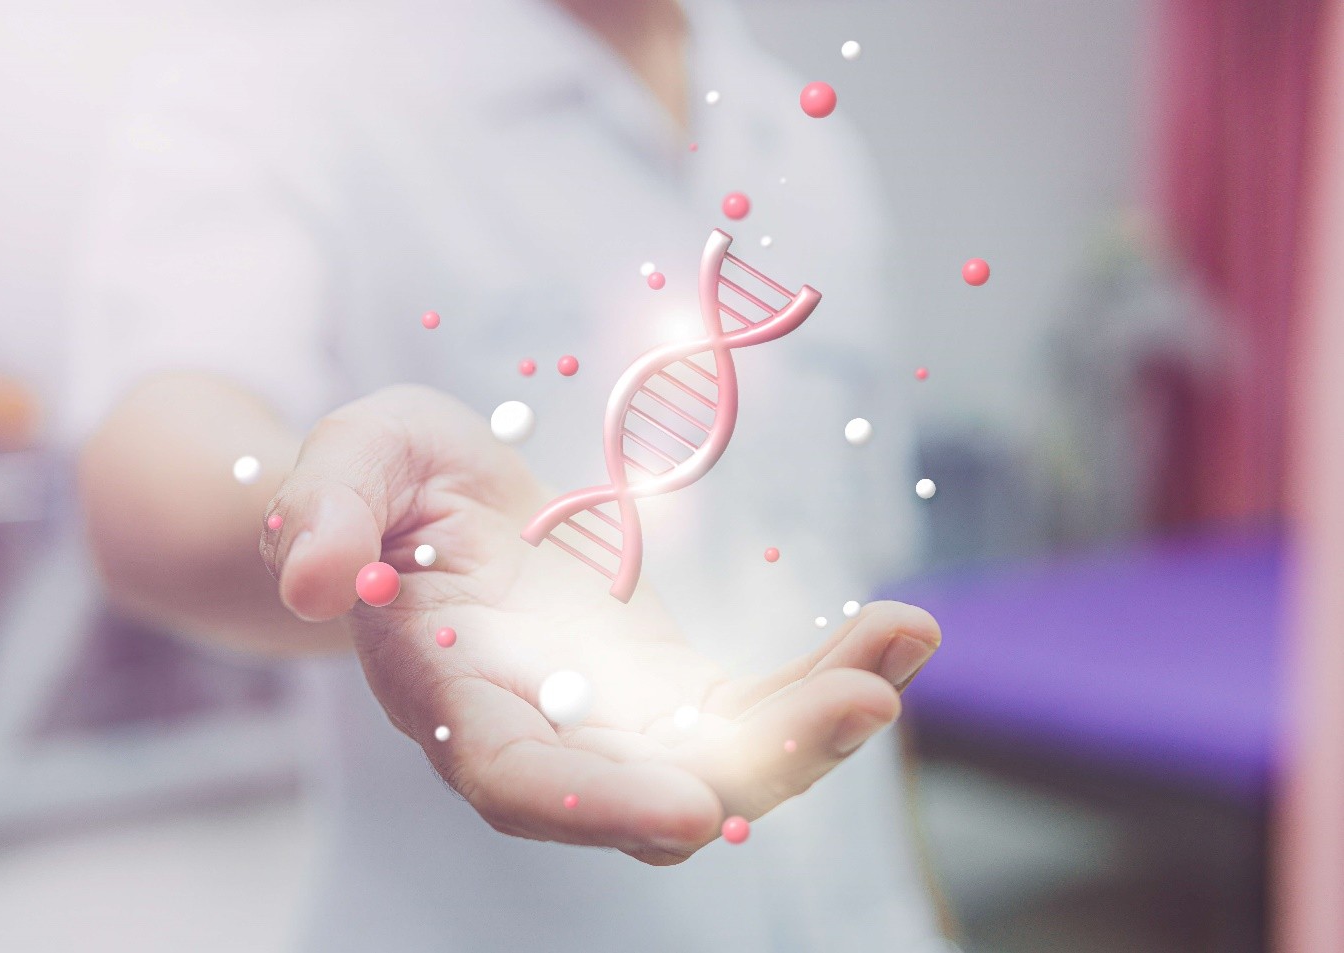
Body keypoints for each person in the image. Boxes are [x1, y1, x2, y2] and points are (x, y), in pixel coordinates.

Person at [69, 0, 948, 949]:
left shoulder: (807, 141)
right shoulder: (274, 97)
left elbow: (850, 590)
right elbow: (153, 476)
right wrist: (380, 516)